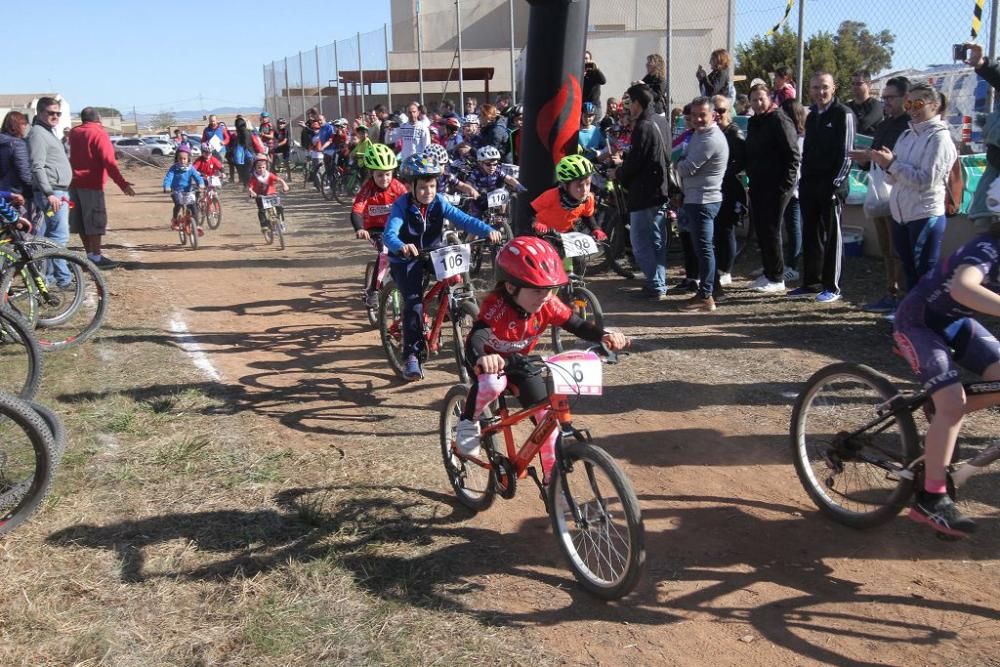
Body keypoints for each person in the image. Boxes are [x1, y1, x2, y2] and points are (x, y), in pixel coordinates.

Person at [452, 236, 629, 474]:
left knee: (549, 425)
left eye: (550, 289)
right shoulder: (497, 306)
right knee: (492, 383)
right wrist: (483, 357)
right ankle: (468, 422)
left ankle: (553, 484)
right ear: (511, 286)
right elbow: (478, 337)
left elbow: (575, 323)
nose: (545, 296)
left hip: (521, 365)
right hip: (490, 364)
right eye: (537, 290)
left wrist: (602, 336)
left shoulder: (547, 303)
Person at [891, 223, 1000, 537]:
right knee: (953, 403)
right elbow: (962, 289)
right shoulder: (987, 247)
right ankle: (931, 497)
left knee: (954, 403)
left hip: (957, 324)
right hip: (917, 323)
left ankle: (942, 412)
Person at [382, 154, 503, 380]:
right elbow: (390, 233)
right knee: (415, 305)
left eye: (432, 186)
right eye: (423, 187)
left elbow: (464, 219)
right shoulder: (402, 205)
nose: (428, 191)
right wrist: (401, 246)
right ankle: (411, 356)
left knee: (455, 281)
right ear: (411, 187)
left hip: (432, 253)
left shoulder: (439, 202)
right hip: (405, 258)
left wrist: (488, 231)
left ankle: (450, 315)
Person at [868, 84, 957, 294]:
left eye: (918, 104)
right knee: (908, 270)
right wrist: (887, 166)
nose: (912, 109)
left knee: (924, 273)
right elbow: (893, 178)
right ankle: (908, 317)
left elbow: (926, 180)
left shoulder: (940, 139)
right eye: (909, 103)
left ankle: (925, 320)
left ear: (934, 106)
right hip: (902, 214)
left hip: (925, 214)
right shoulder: (907, 135)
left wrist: (892, 165)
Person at [788, 72, 855, 303]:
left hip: (831, 188)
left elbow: (847, 155)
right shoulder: (813, 115)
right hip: (810, 186)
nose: (820, 92)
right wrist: (803, 181)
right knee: (811, 234)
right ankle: (811, 282)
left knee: (832, 237)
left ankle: (832, 286)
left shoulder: (843, 114)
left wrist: (836, 185)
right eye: (816, 88)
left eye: (824, 87)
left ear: (833, 88)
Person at [849, 76, 912, 313]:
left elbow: (905, 162)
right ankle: (891, 291)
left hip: (903, 197)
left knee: (900, 249)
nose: (885, 102)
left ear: (906, 98)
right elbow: (874, 159)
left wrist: (881, 159)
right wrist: (866, 158)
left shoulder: (910, 127)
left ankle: (905, 298)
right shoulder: (885, 125)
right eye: (884, 97)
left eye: (890, 98)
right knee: (887, 249)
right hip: (881, 195)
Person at [609, 84, 671, 300]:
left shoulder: (643, 126)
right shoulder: (662, 121)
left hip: (644, 193)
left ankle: (656, 285)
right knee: (657, 241)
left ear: (637, 103)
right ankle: (659, 283)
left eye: (630, 103)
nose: (628, 108)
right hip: (660, 189)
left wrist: (618, 172)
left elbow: (637, 161)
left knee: (639, 242)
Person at [674, 96, 729, 312]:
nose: (697, 119)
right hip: (697, 198)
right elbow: (685, 161)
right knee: (704, 248)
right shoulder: (701, 134)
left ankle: (706, 296)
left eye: (702, 115)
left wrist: (679, 163)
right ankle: (711, 290)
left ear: (713, 115)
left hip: (703, 201)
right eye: (694, 115)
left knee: (704, 249)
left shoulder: (710, 139)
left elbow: (686, 167)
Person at [744, 84, 800, 294]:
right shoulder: (754, 122)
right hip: (758, 184)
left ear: (769, 99)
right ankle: (769, 272)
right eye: (754, 100)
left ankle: (777, 277)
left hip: (776, 186)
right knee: (762, 228)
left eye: (761, 99)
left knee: (771, 228)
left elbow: (793, 155)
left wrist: (785, 185)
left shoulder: (779, 120)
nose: (758, 104)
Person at [67, 107, 136, 269]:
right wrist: (122, 184)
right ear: (98, 119)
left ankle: (89, 255)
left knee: (81, 221)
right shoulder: (98, 133)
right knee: (95, 220)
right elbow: (109, 162)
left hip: (73, 183)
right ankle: (96, 257)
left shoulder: (73, 133)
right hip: (92, 184)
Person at [351, 145, 408, 309]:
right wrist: (359, 228)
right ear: (371, 174)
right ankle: (373, 291)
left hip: (396, 228)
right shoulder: (368, 189)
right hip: (375, 230)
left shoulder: (397, 186)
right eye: (380, 175)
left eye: (388, 174)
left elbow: (410, 204)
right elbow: (356, 210)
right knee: (384, 251)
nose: (384, 179)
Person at [28, 96, 74, 287]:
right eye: (51, 113)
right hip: (52, 193)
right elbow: (37, 166)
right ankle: (63, 279)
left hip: (57, 191)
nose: (55, 116)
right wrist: (49, 193)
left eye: (58, 113)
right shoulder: (38, 134)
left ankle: (52, 278)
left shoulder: (48, 132)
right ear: (39, 113)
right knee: (58, 238)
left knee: (48, 238)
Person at [711, 95, 747, 294]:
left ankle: (727, 270)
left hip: (730, 188)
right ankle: (718, 267)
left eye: (722, 110)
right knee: (717, 230)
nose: (717, 114)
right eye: (714, 110)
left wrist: (723, 173)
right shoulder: (715, 131)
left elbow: (740, 162)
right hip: (715, 188)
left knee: (726, 229)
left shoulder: (734, 134)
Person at [530, 154, 606, 242]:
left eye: (588, 184)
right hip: (541, 233)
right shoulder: (552, 195)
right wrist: (536, 223)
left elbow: (587, 216)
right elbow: (530, 210)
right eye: (579, 185)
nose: (584, 190)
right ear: (565, 185)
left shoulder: (588, 198)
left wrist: (596, 229)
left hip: (562, 234)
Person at [781, 99, 808, 282]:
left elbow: (796, 165)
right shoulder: (792, 136)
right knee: (789, 227)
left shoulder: (801, 139)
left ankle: (792, 266)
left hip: (795, 189)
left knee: (794, 227)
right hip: (787, 188)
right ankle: (786, 263)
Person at [462, 145, 524, 217]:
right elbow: (469, 183)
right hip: (479, 198)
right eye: (488, 164)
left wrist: (518, 185)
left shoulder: (497, 170)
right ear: (481, 163)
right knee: (475, 217)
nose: (492, 167)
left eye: (495, 164)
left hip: (493, 196)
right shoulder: (477, 173)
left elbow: (509, 179)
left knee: (504, 194)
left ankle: (502, 217)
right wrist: (470, 191)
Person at [162, 146, 205, 233]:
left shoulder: (191, 168)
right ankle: (175, 220)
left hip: (188, 191)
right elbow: (168, 178)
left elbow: (197, 177)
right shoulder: (174, 168)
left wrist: (201, 184)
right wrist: (167, 186)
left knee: (193, 206)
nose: (182, 160)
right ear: (177, 158)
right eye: (180, 158)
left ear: (188, 159)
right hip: (176, 191)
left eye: (184, 159)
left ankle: (196, 225)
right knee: (178, 204)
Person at [0, 111, 34, 216]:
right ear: (15, 126)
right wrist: (35, 189)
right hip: (15, 194)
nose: (25, 127)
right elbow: (24, 173)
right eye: (23, 124)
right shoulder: (17, 144)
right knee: (21, 228)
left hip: (2, 193)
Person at [247, 154, 290, 232]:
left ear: (266, 166)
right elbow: (250, 187)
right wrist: (252, 192)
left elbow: (279, 180)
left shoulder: (269, 175)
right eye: (259, 167)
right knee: (261, 210)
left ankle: (281, 222)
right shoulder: (254, 177)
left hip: (271, 194)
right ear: (255, 167)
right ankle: (264, 226)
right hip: (260, 196)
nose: (261, 169)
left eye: (263, 167)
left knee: (280, 207)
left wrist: (285, 185)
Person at [229, 117, 264, 187]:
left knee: (247, 172)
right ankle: (249, 186)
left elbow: (249, 144)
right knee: (249, 172)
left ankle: (249, 186)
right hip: (248, 156)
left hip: (246, 156)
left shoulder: (242, 134)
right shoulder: (248, 133)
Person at [848, 69, 884, 137]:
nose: (855, 86)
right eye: (853, 83)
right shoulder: (848, 106)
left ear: (869, 85)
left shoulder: (876, 106)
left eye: (859, 84)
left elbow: (862, 126)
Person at [583, 51, 607, 117]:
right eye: (583, 58)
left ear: (590, 60)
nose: (584, 60)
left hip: (594, 107)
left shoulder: (594, 73)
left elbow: (603, 81)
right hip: (582, 108)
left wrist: (596, 69)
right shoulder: (578, 73)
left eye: (586, 58)